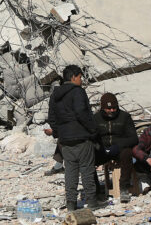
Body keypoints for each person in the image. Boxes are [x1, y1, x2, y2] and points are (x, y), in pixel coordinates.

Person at [46, 64, 101, 211]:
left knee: (70, 172)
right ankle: (92, 202)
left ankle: (71, 203)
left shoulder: (55, 95)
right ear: (74, 77)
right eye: (80, 77)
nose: (81, 80)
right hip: (82, 137)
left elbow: (52, 118)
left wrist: (59, 133)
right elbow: (82, 113)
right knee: (86, 170)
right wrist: (93, 130)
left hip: (65, 140)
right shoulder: (78, 92)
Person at [92, 92, 138, 202]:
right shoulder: (95, 118)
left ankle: (124, 187)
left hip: (119, 149)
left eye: (114, 108)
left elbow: (134, 138)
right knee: (87, 158)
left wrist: (118, 145)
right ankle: (96, 191)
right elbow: (91, 137)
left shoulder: (125, 117)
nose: (112, 111)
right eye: (109, 108)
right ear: (102, 108)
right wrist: (99, 147)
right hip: (102, 149)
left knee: (127, 153)